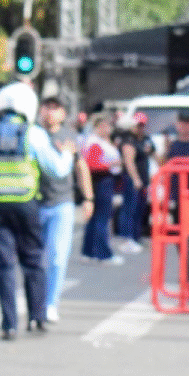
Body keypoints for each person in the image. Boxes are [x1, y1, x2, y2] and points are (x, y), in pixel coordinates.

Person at [0, 81, 74, 340]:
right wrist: (67, 155)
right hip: (27, 205)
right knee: (34, 261)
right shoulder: (34, 134)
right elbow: (56, 170)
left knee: (4, 265)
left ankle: (9, 324)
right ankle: (36, 317)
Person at [38, 95, 93, 323]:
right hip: (35, 202)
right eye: (47, 108)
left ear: (63, 113)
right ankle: (37, 301)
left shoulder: (69, 136)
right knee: (35, 259)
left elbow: (81, 167)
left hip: (62, 203)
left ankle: (51, 303)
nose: (51, 113)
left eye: (56, 108)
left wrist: (88, 198)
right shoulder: (34, 135)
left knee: (58, 258)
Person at [81, 112, 124, 265]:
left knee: (95, 218)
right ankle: (103, 253)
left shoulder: (98, 141)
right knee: (102, 219)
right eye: (106, 126)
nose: (109, 129)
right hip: (102, 181)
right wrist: (112, 165)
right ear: (99, 127)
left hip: (101, 181)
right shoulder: (95, 142)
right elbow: (92, 165)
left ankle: (89, 251)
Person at [115, 112, 154, 253]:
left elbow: (155, 155)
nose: (140, 128)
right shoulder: (128, 140)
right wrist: (135, 179)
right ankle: (127, 238)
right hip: (132, 179)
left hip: (143, 180)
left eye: (142, 125)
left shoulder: (145, 139)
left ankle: (136, 236)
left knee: (140, 208)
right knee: (129, 208)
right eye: (138, 125)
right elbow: (129, 161)